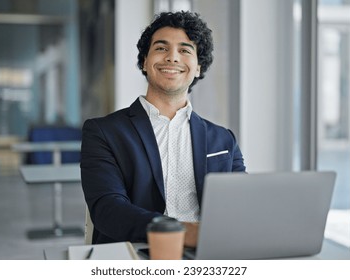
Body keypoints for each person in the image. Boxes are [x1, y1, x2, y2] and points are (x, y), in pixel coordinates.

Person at [81, 11, 246, 247]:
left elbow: (241, 205)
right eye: (161, 48)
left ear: (198, 67)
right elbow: (108, 210)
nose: (172, 57)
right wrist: (181, 233)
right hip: (137, 252)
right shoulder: (103, 132)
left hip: (207, 253)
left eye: (185, 50)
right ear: (145, 62)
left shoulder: (223, 139)